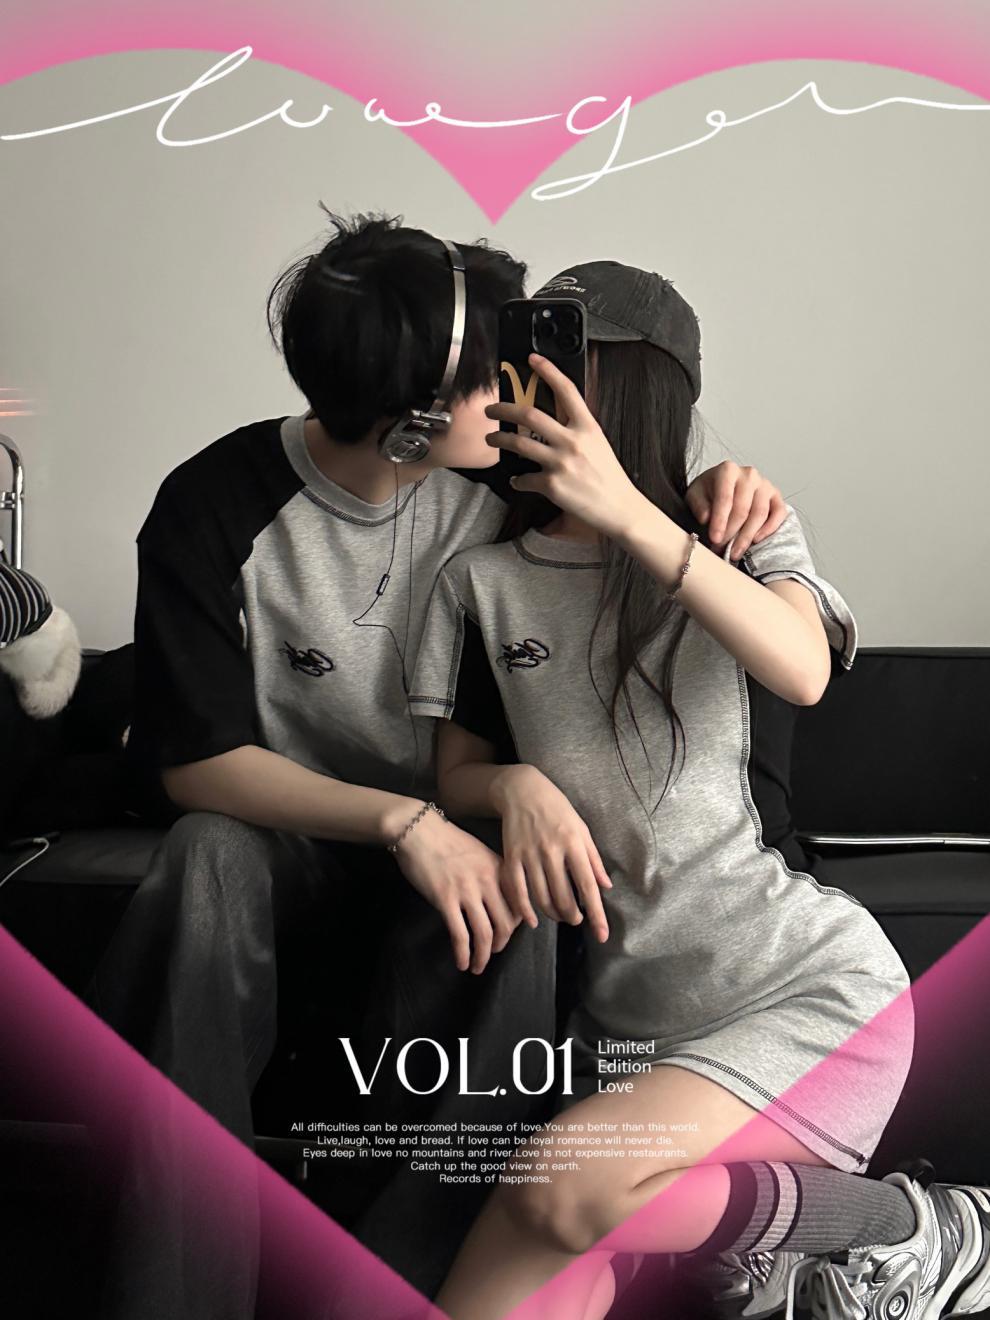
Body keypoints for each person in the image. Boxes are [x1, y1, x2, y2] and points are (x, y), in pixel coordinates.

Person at [84, 214, 793, 1316]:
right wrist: (402, 822)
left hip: (463, 855)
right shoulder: (213, 501)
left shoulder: (509, 489)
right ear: (417, 418)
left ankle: (398, 1289)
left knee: (526, 887)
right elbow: (196, 765)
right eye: (492, 379)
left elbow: (645, 504)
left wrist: (725, 487)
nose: (520, 396)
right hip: (291, 846)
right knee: (205, 856)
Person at [407, 261, 990, 1320]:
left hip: (801, 995)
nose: (524, 387)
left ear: (631, 384)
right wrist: (516, 785)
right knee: (523, 1256)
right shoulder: (479, 581)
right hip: (627, 1033)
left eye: (558, 359)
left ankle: (916, 1227)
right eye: (519, 359)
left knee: (559, 1186)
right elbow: (455, 771)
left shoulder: (736, 530)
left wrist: (633, 516)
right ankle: (769, 1249)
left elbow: (802, 669)